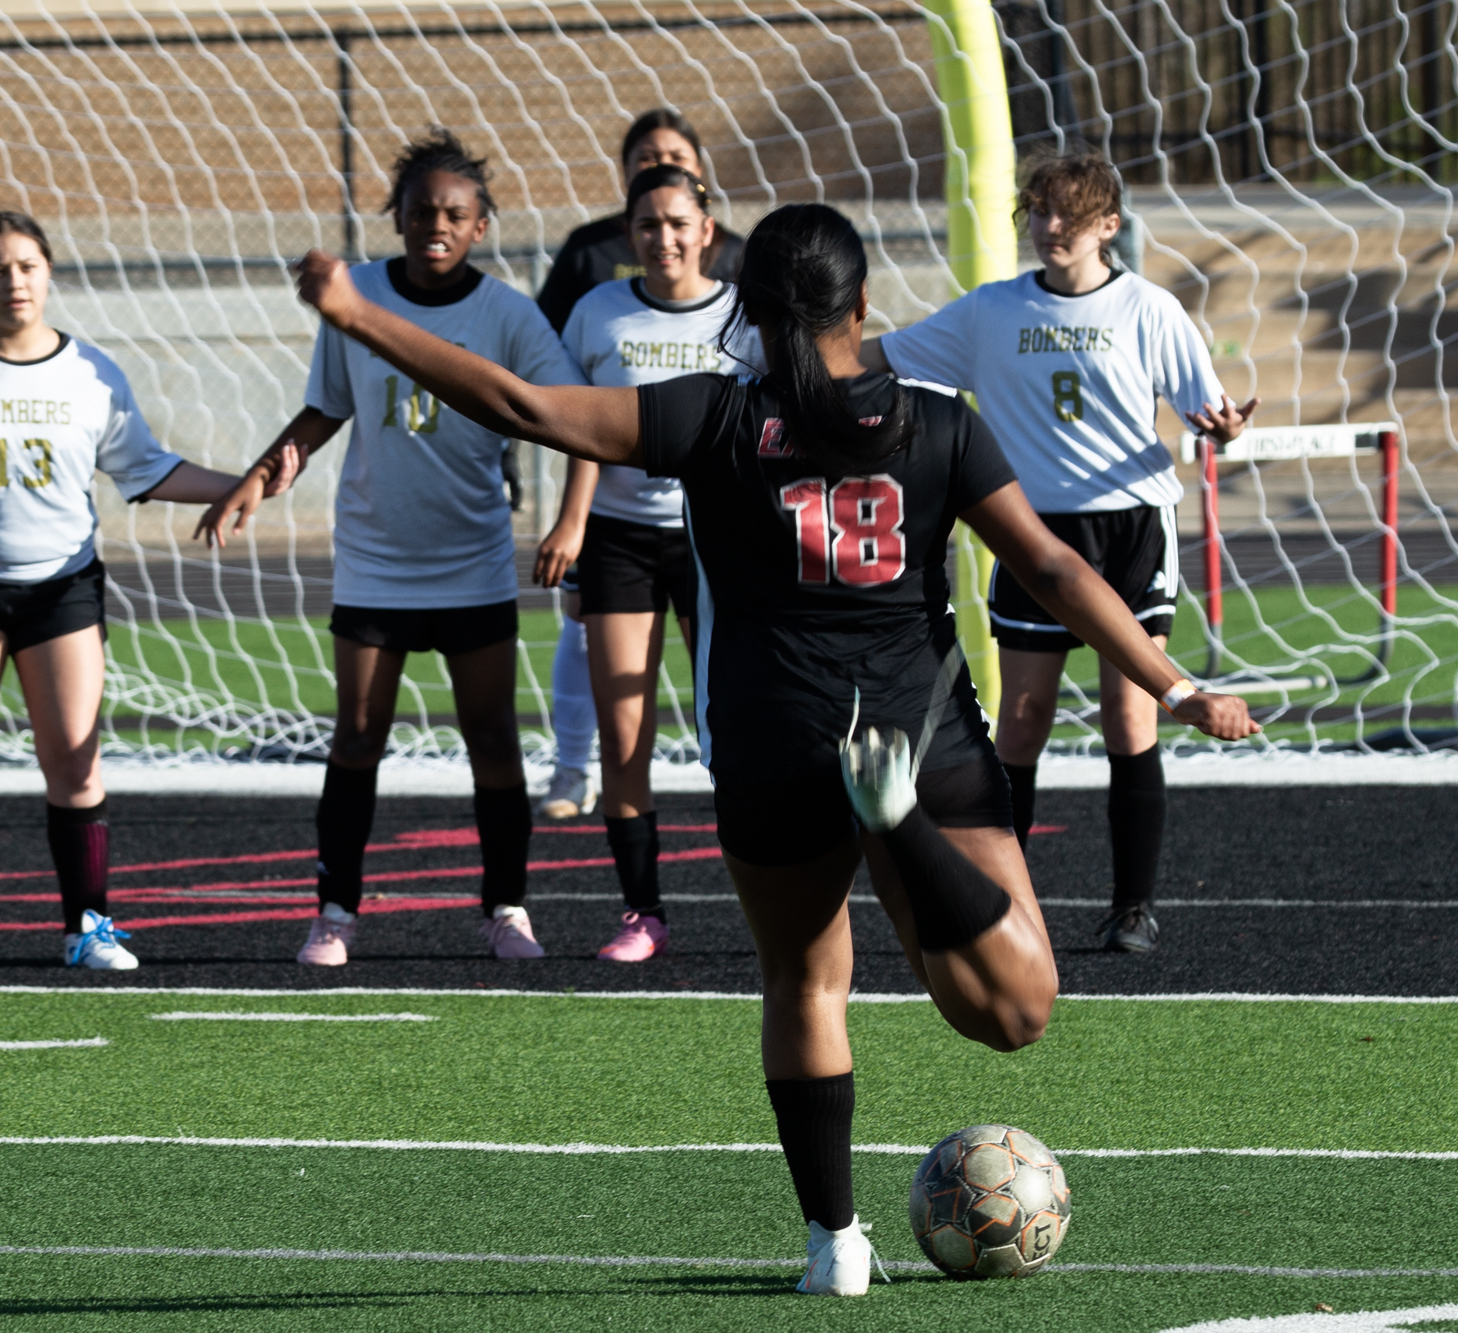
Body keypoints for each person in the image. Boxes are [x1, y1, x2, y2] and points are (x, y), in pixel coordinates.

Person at [285, 202, 1257, 1294]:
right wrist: (1168, 682)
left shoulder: (711, 416)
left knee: (803, 982)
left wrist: (357, 314)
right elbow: (1053, 569)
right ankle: (901, 831)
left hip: (772, 739)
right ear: (861, 304)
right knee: (1011, 1011)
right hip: (915, 732)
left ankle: (831, 1244)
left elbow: (519, 404)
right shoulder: (936, 421)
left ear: (746, 308)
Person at [196, 130, 584, 967]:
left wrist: (574, 518)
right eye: (418, 212)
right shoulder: (355, 300)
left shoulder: (508, 315)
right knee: (358, 735)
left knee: (492, 738)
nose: (434, 226)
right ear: (396, 219)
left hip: (472, 560)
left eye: (453, 213)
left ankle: (506, 908)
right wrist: (254, 480)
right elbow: (324, 412)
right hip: (376, 561)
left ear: (480, 225)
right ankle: (335, 913)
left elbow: (571, 413)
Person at [860, 152, 1258, 954]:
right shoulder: (989, 313)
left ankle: (1133, 907)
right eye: (1037, 211)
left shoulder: (1150, 309)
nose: (1049, 228)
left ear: (1109, 225)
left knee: (1127, 713)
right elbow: (884, 356)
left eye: (1068, 215)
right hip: (1034, 536)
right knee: (1024, 718)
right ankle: (1004, 902)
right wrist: (794, 357)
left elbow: (1207, 409)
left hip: (1131, 530)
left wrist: (1222, 426)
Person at [0, 210, 255, 977]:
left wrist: (238, 483)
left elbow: (147, 468)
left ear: (50, 274)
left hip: (62, 586)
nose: (13, 282)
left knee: (75, 761)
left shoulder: (91, 372)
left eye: (27, 266)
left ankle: (89, 927)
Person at [535, 164, 759, 962]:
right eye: (646, 226)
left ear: (707, 231)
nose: (662, 238)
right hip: (621, 538)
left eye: (676, 223)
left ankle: (773, 904)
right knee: (623, 736)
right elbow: (583, 427)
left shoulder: (743, 314)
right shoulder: (598, 312)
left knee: (732, 728)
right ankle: (642, 914)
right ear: (628, 236)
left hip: (715, 538)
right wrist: (569, 519)